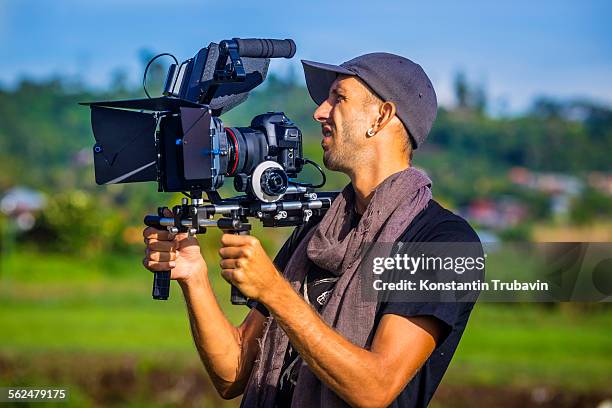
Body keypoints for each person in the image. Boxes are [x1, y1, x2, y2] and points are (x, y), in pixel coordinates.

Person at [143, 52, 481, 407]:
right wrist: (193, 275)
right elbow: (234, 372)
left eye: (339, 97)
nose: (320, 111)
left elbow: (375, 388)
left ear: (381, 117)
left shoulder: (442, 241)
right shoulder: (318, 228)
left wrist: (276, 292)